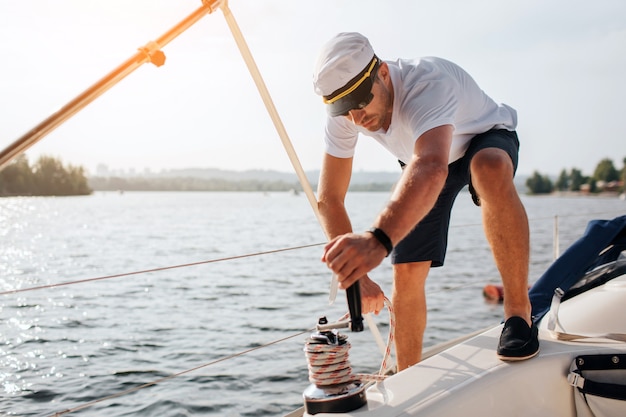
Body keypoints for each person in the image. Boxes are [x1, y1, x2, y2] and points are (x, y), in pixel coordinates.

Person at [312, 32, 539, 371]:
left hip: (482, 137)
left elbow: (431, 167)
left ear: (383, 73)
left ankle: (519, 315)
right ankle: (407, 375)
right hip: (423, 159)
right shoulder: (345, 118)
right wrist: (356, 275)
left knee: (488, 167)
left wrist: (377, 240)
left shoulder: (427, 82)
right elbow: (329, 198)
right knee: (405, 271)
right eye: (345, 110)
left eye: (361, 101)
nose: (357, 119)